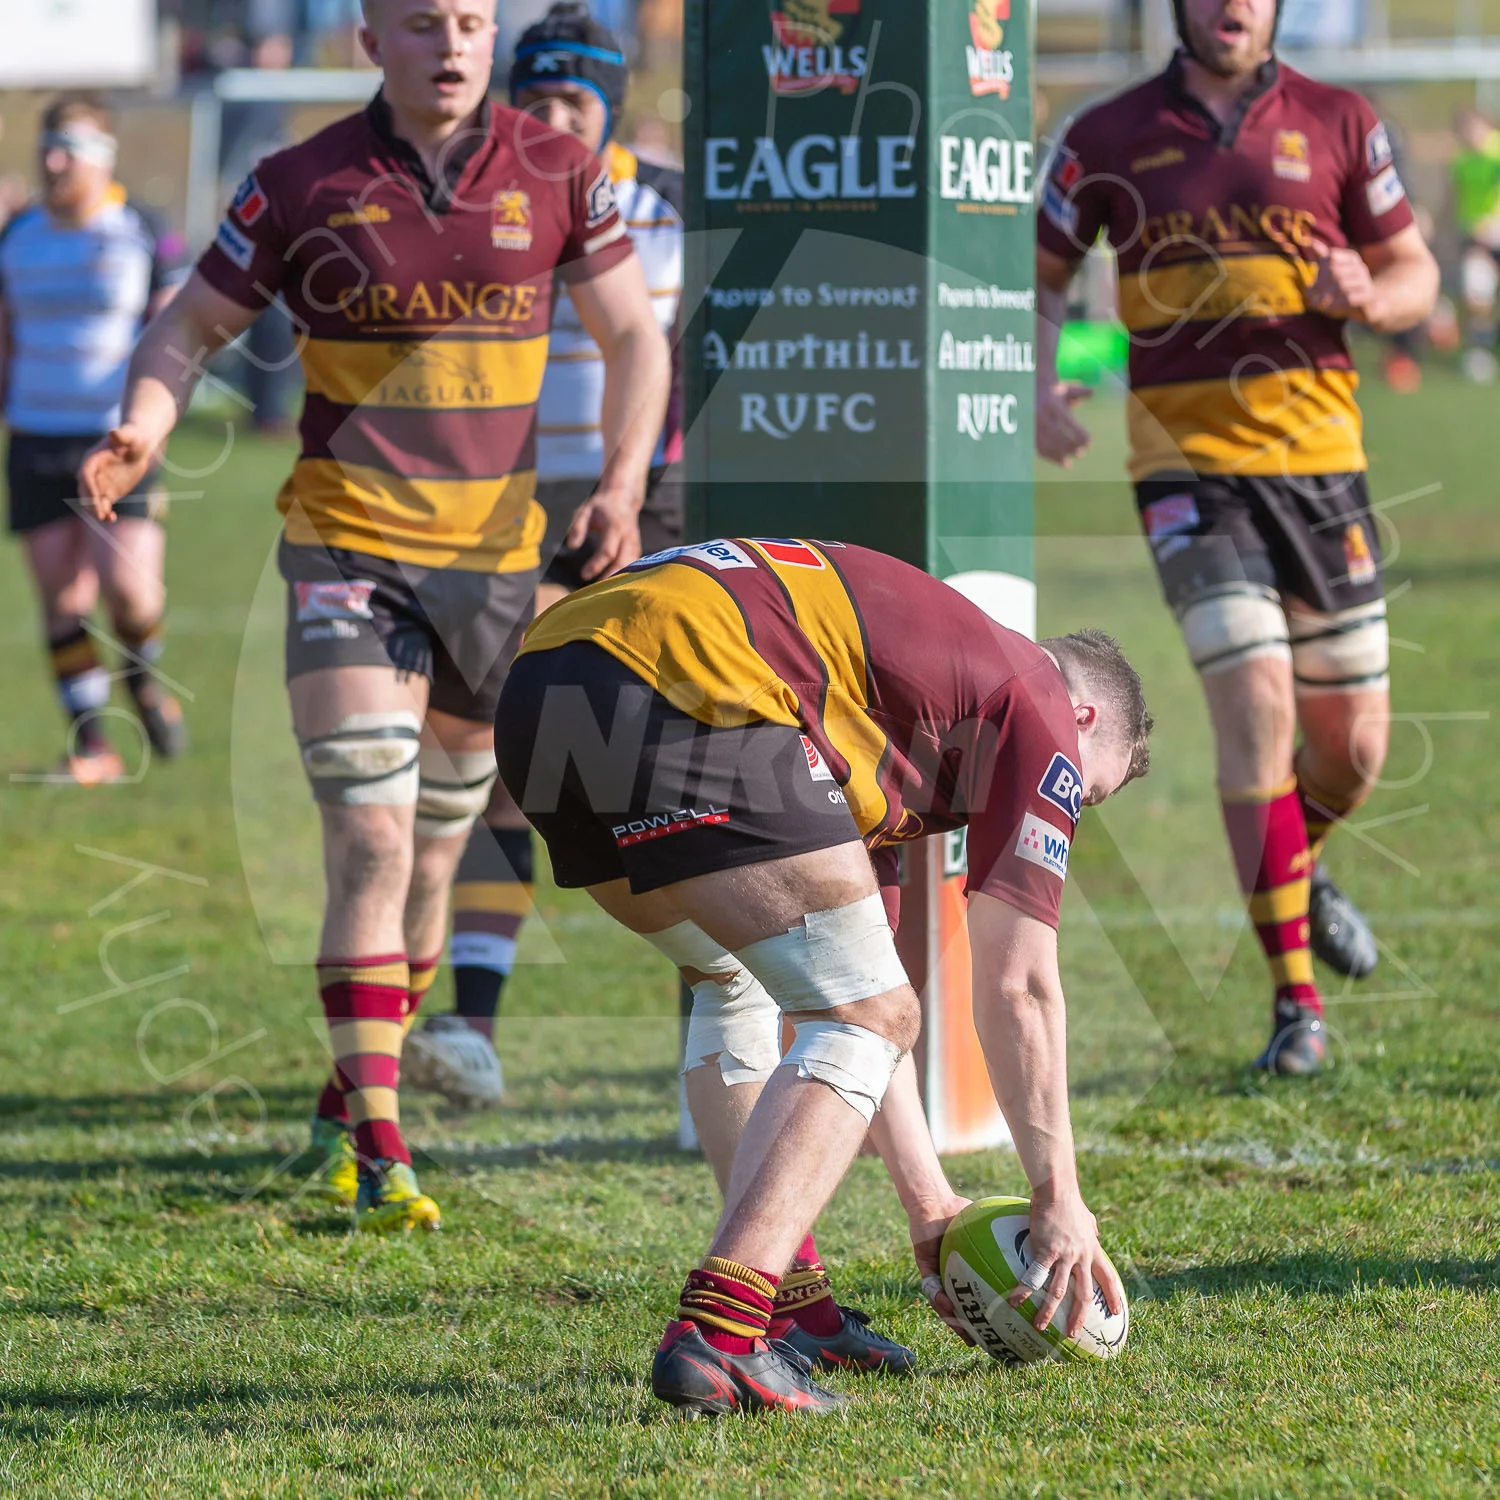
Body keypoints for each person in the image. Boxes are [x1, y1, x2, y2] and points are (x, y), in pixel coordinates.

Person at [78, 0, 671, 1230]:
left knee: (437, 860)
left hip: (498, 571)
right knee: (373, 842)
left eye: (468, 22)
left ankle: (347, 1093)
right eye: (421, 24)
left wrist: (620, 485)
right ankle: (387, 1154)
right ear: (368, 40)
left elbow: (633, 336)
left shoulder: (558, 170)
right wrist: (143, 423)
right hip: (347, 552)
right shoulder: (302, 181)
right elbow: (191, 324)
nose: (450, 45)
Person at [494, 536, 1151, 1414]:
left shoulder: (902, 710)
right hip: (684, 676)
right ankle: (722, 1336)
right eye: (1083, 796)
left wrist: (932, 1210)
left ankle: (794, 1311)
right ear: (1085, 725)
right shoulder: (1033, 698)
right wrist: (1057, 1196)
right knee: (870, 1016)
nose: (1067, 806)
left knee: (742, 981)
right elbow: (1018, 985)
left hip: (547, 681)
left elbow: (848, 992)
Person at [1036, 0, 1439, 1074]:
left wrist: (1375, 291)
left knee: (1353, 751)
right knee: (1256, 703)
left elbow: (1418, 274)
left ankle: (1297, 865)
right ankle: (1295, 1005)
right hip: (1188, 475)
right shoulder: (1105, 134)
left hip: (1323, 472)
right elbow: (1038, 278)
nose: (1232, 7)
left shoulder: (1342, 118)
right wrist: (1042, 382)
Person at [403, 1, 685, 1110]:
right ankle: (471, 1025)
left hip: (646, 509)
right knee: (500, 767)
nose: (559, 114)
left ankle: (706, 1043)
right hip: (506, 512)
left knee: (672, 781)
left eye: (580, 96)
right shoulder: (492, 204)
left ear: (610, 103)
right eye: (544, 95)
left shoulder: (669, 209)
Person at [1, 96, 189, 785]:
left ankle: (142, 675)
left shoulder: (141, 229)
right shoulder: (16, 234)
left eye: (68, 146)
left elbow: (176, 333)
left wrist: (153, 424)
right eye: (47, 145)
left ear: (103, 156)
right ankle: (92, 748)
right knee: (61, 597)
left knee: (133, 595)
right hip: (35, 435)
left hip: (114, 440)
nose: (52, 160)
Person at [1450, 107, 1500, 384]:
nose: (1470, 136)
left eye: (1473, 129)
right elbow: (1455, 198)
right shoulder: (1461, 160)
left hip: (1496, 234)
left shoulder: (1497, 153)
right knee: (1477, 295)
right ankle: (1480, 352)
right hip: (1475, 239)